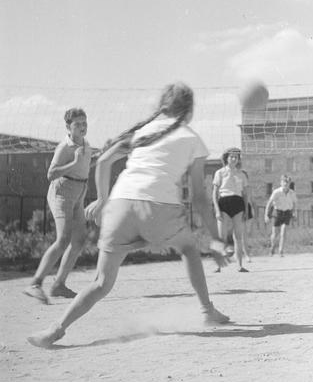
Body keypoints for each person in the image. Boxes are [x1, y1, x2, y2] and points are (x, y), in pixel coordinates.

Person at [26, 82, 230, 348]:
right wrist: (215, 242)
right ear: (188, 110)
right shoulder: (191, 138)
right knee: (189, 248)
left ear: (162, 107)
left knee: (100, 283)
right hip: (158, 208)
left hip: (120, 206)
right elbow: (200, 199)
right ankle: (207, 311)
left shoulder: (142, 132)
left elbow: (103, 161)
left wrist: (101, 200)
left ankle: (56, 329)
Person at [23, 108, 93, 303]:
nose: (82, 126)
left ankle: (59, 285)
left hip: (79, 194)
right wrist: (74, 162)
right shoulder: (64, 147)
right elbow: (51, 174)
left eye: (84, 122)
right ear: (68, 128)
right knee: (63, 239)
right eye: (77, 124)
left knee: (79, 241)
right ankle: (35, 284)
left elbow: (83, 167)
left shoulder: (86, 145)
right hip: (61, 193)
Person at [212, 147, 250, 272]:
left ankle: (240, 265)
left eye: (236, 157)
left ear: (238, 159)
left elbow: (245, 194)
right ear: (226, 158)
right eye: (231, 156)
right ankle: (218, 265)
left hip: (237, 203)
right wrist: (217, 210)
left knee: (238, 236)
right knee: (221, 236)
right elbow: (214, 194)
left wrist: (246, 210)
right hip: (224, 203)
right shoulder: (220, 173)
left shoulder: (242, 174)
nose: (234, 159)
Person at [265, 174, 297, 256]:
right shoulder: (276, 192)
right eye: (284, 182)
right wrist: (266, 215)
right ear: (281, 182)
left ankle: (281, 250)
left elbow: (294, 204)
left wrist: (294, 214)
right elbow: (269, 203)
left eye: (287, 182)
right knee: (275, 233)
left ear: (290, 183)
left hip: (287, 213)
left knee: (283, 232)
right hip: (278, 212)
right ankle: (272, 247)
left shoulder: (292, 193)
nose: (286, 184)